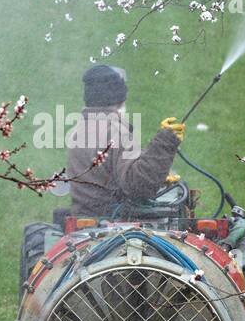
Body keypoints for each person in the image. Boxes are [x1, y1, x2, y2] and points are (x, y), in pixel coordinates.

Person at [65, 65, 185, 215]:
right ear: (121, 98)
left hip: (84, 219)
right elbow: (139, 187)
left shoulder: (78, 130)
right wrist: (164, 143)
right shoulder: (116, 131)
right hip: (112, 222)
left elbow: (106, 173)